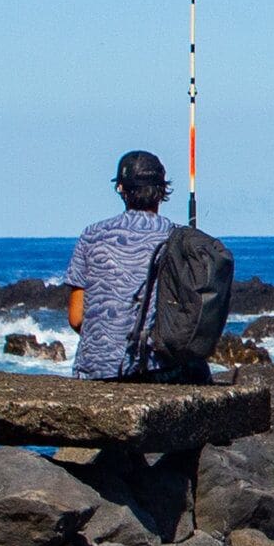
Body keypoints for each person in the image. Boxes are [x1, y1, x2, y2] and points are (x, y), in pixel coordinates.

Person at [63, 150, 177, 380]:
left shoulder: (92, 235)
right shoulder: (176, 238)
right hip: (153, 368)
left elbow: (76, 317)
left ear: (121, 189)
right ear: (162, 191)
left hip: (93, 369)